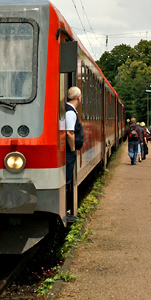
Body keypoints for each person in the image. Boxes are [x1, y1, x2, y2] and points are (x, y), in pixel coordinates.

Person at [64, 86, 83, 219]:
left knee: (68, 178)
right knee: (68, 179)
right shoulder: (70, 112)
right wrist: (72, 150)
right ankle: (66, 209)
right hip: (68, 152)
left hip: (68, 151)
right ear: (78, 98)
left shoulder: (68, 110)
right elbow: (70, 133)